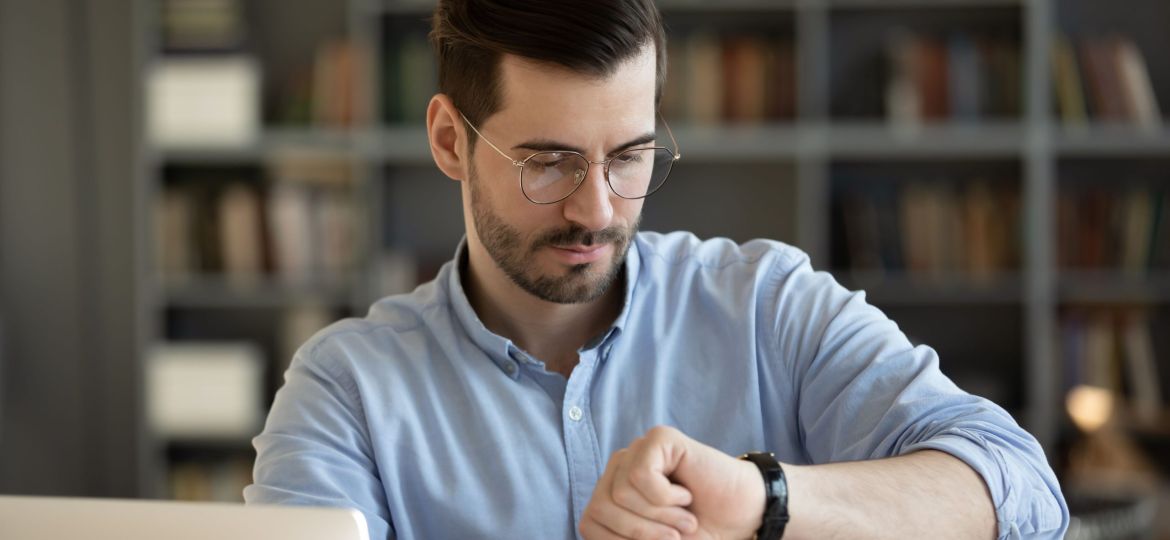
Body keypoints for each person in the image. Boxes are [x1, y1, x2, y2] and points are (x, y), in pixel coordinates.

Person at [244, 1, 1069, 538]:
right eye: (550, 163)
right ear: (450, 141)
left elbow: (1026, 495)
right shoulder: (346, 390)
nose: (598, 210)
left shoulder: (767, 307)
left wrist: (762, 500)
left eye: (630, 157)